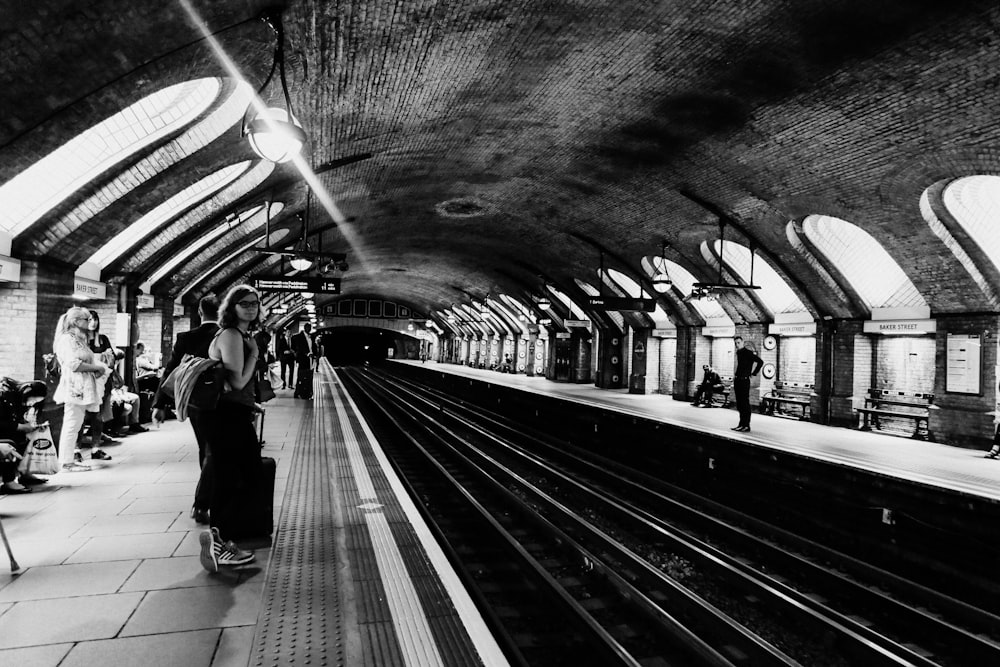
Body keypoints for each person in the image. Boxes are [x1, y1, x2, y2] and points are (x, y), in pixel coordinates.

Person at [198, 285, 263, 571]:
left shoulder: (237, 335)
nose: (250, 307)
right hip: (226, 416)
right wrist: (255, 355)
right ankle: (219, 542)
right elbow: (237, 381)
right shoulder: (233, 335)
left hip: (231, 412)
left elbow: (234, 385)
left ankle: (223, 538)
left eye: (254, 303)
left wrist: (251, 404)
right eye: (243, 303)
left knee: (237, 472)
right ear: (231, 307)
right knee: (234, 475)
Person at [153, 294, 220, 524]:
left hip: (193, 402)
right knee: (215, 450)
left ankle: (206, 498)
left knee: (206, 447)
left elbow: (170, 371)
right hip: (221, 400)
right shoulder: (226, 335)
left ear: (200, 312)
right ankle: (202, 502)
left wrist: (159, 403)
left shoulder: (186, 337)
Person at [53, 306, 110, 471]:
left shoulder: (78, 339)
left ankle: (68, 459)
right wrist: (96, 369)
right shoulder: (67, 340)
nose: (90, 322)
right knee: (72, 423)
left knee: (76, 423)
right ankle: (66, 462)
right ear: (76, 321)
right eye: (86, 319)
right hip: (74, 387)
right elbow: (74, 364)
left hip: (82, 387)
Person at [82, 309, 120, 459]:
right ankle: (76, 450)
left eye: (95, 319)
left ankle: (95, 448)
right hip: (84, 383)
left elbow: (111, 360)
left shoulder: (103, 339)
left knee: (98, 416)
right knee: (81, 416)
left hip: (102, 382)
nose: (93, 322)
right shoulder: (79, 340)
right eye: (90, 319)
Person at [0, 378, 49, 493]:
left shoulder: (17, 399)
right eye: (32, 400)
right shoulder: (4, 396)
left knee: (27, 438)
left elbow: (14, 419)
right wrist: (19, 427)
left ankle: (25, 472)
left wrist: (30, 427)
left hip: (6, 429)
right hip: (4, 431)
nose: (32, 404)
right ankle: (9, 481)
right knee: (11, 442)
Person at [732, 337, 763, 432]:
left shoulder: (748, 353)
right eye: (735, 343)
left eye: (738, 343)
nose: (737, 345)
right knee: (740, 404)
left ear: (743, 343)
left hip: (744, 381)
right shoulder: (739, 353)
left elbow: (760, 362)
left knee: (745, 403)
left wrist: (754, 373)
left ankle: (746, 425)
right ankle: (741, 424)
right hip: (738, 380)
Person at [291, 322, 314, 398]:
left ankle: (307, 392)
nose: (309, 329)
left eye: (310, 328)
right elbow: (298, 348)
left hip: (310, 360)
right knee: (301, 376)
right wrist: (306, 354)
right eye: (308, 327)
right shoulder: (298, 337)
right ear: (304, 328)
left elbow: (312, 347)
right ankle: (299, 392)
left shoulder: (311, 337)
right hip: (303, 359)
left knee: (309, 377)